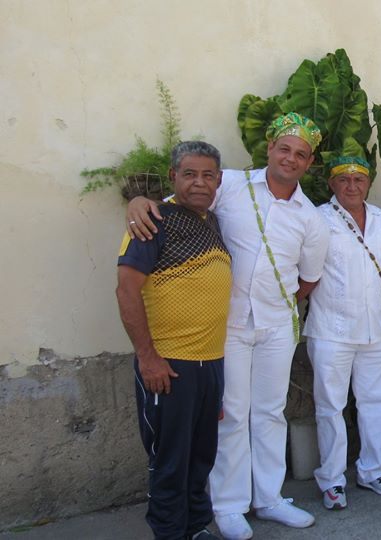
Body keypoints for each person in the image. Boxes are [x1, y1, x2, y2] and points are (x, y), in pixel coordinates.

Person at [126, 112, 329, 539]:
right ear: (270, 149)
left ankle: (270, 498)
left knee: (270, 411)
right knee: (232, 413)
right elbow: (178, 206)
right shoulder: (231, 185)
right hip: (228, 325)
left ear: (309, 163)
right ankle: (230, 506)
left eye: (301, 154)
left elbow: (308, 278)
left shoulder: (311, 218)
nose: (290, 159)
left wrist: (274, 305)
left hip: (277, 326)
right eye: (284, 149)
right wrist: (138, 202)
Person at [116, 141, 231, 539]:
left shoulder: (213, 223)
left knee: (200, 459)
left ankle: (196, 528)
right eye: (189, 174)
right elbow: (126, 290)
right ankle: (169, 533)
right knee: (170, 462)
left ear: (218, 180)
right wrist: (148, 358)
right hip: (169, 366)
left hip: (210, 364)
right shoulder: (153, 220)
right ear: (173, 177)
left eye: (207, 175)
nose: (199, 183)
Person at [302, 156, 381, 511]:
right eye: (344, 179)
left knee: (377, 403)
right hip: (332, 330)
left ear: (369, 183)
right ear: (332, 184)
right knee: (331, 408)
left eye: (359, 179)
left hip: (378, 329)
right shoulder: (318, 219)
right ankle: (331, 479)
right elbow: (305, 271)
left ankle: (373, 469)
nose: (352, 186)